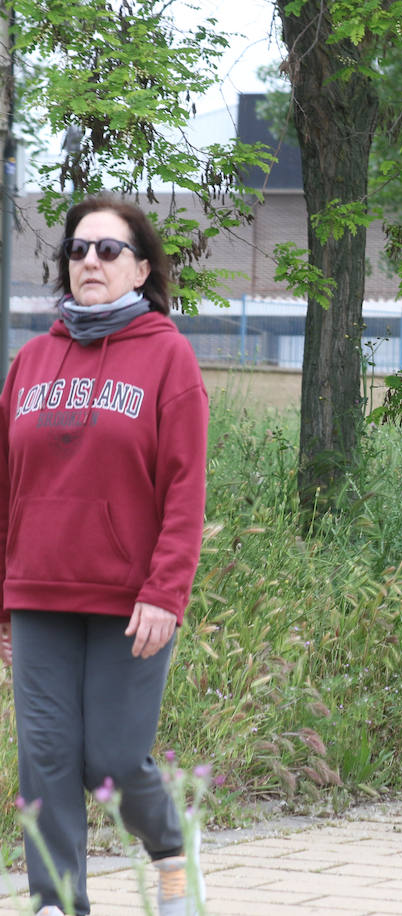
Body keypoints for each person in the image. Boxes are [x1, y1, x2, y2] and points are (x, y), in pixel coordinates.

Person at [0, 198, 209, 916]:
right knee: (47, 762)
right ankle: (57, 902)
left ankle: (170, 845)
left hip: (131, 601)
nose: (90, 261)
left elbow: (186, 488)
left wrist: (166, 591)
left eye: (110, 250)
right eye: (80, 248)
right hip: (37, 594)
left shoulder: (167, 355)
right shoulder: (30, 360)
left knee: (113, 764)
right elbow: (6, 486)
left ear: (142, 269)